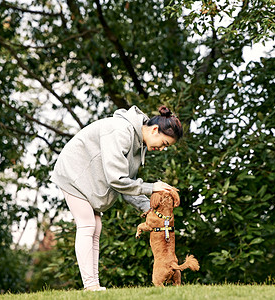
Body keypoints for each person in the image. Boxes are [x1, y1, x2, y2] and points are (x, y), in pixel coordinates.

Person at [50, 105, 183, 291]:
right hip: (73, 173)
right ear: (154, 130)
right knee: (87, 225)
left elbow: (127, 184)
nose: (161, 149)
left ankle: (93, 286)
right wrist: (152, 187)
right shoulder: (120, 130)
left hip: (88, 180)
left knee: (96, 227)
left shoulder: (138, 145)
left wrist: (149, 209)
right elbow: (116, 179)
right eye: (164, 143)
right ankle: (90, 286)